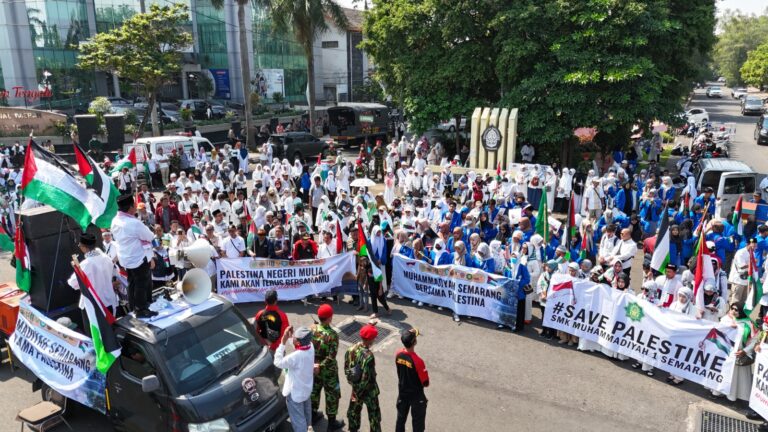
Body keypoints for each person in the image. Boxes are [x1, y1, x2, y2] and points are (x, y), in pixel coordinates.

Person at [111, 194, 157, 318]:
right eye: (134, 205)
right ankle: (141, 309)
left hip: (125, 258)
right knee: (141, 284)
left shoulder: (115, 220)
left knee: (132, 283)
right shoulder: (134, 223)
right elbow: (149, 236)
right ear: (131, 207)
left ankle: (133, 307)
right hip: (137, 258)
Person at [66, 233, 119, 325]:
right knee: (111, 329)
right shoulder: (107, 258)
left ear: (83, 247)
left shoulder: (86, 264)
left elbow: (73, 283)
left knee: (98, 334)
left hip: (95, 304)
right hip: (109, 299)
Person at [273, 326, 315, 432]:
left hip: (295, 394)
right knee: (306, 415)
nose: (294, 338)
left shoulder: (296, 356)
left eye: (295, 338)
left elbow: (277, 362)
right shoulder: (311, 347)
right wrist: (291, 336)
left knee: (298, 421)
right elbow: (299, 344)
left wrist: (283, 342)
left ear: (299, 342)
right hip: (306, 390)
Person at [310, 304, 345, 430]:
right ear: (330, 318)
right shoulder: (333, 335)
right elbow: (331, 357)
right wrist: (321, 365)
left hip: (314, 369)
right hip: (328, 372)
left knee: (314, 391)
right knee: (332, 396)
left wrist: (316, 365)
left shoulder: (312, 330)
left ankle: (312, 416)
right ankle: (331, 424)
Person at [344, 324, 381, 432]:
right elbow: (366, 378)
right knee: (374, 416)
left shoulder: (350, 349)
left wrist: (354, 386)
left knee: (353, 413)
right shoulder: (368, 356)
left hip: (356, 388)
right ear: (371, 340)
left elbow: (347, 369)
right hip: (369, 391)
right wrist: (359, 391)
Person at [395, 328, 429, 432]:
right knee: (418, 424)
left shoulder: (398, 354)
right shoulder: (418, 361)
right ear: (414, 342)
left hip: (403, 393)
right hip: (416, 396)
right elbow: (426, 383)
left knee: (400, 420)